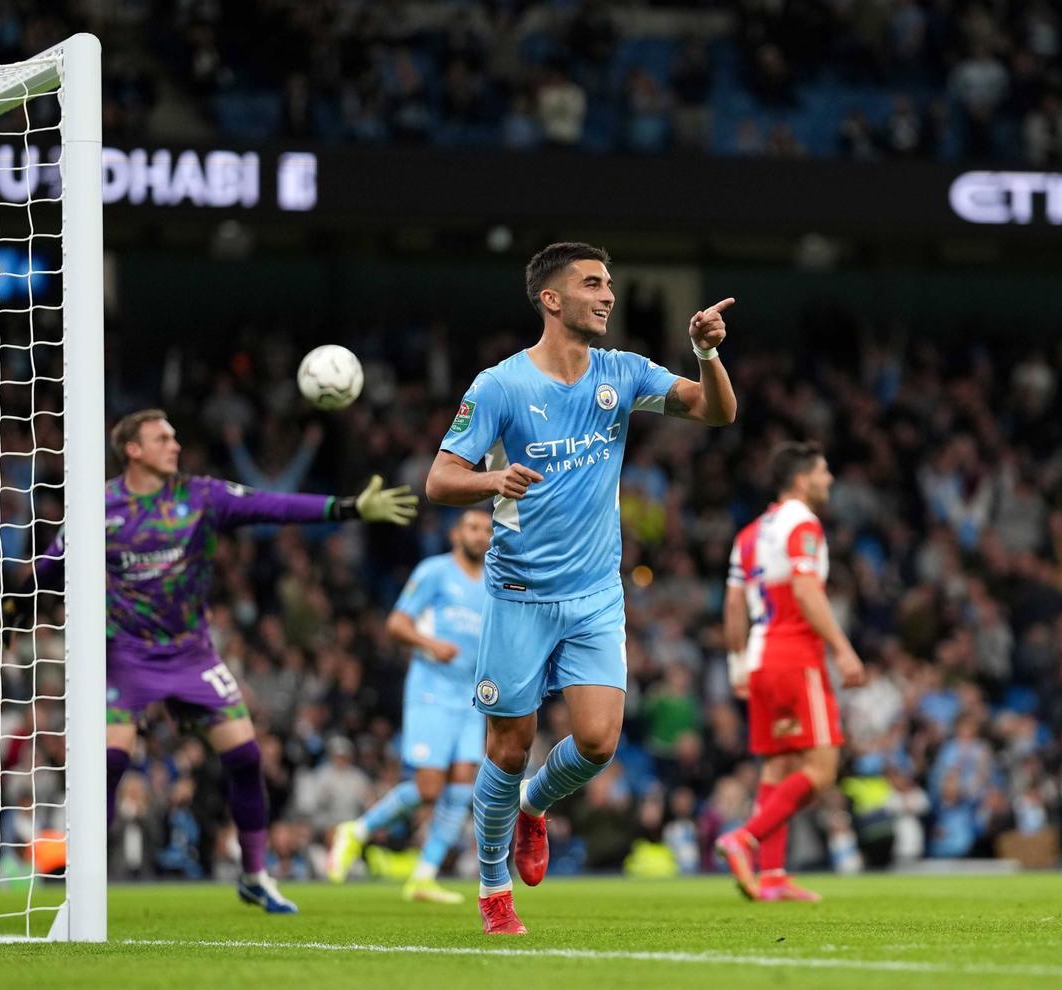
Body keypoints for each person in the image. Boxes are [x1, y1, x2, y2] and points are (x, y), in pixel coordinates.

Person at [424, 241, 737, 934]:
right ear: (552, 299)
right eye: (593, 284)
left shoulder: (622, 372)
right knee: (508, 747)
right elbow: (439, 480)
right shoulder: (500, 385)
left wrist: (707, 355)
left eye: (611, 284)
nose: (609, 295)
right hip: (518, 595)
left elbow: (716, 413)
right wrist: (489, 481)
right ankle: (491, 888)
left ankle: (535, 807)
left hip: (595, 593)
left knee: (597, 744)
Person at [0, 408, 417, 914]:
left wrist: (346, 508)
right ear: (134, 450)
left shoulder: (200, 496)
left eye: (174, 435)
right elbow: (51, 565)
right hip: (126, 657)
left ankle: (255, 874)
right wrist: (15, 606)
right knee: (110, 761)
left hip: (193, 656)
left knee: (247, 757)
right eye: (162, 438)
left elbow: (272, 506)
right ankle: (84, 884)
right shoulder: (100, 507)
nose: (175, 444)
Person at [716, 441, 865, 900]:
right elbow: (805, 589)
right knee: (822, 770)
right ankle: (745, 837)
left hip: (760, 658)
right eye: (823, 472)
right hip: (795, 655)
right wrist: (842, 649)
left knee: (779, 766)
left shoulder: (749, 534)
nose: (829, 480)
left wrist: (737, 663)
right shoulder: (803, 522)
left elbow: (734, 602)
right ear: (801, 480)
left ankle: (773, 876)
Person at [328, 509, 493, 904]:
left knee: (460, 785)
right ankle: (357, 830)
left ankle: (424, 874)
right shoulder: (434, 572)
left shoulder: (493, 582)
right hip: (431, 693)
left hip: (471, 698)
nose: (480, 535)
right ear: (456, 534)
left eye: (487, 529)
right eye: (472, 527)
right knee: (428, 788)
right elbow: (397, 623)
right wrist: (431, 645)